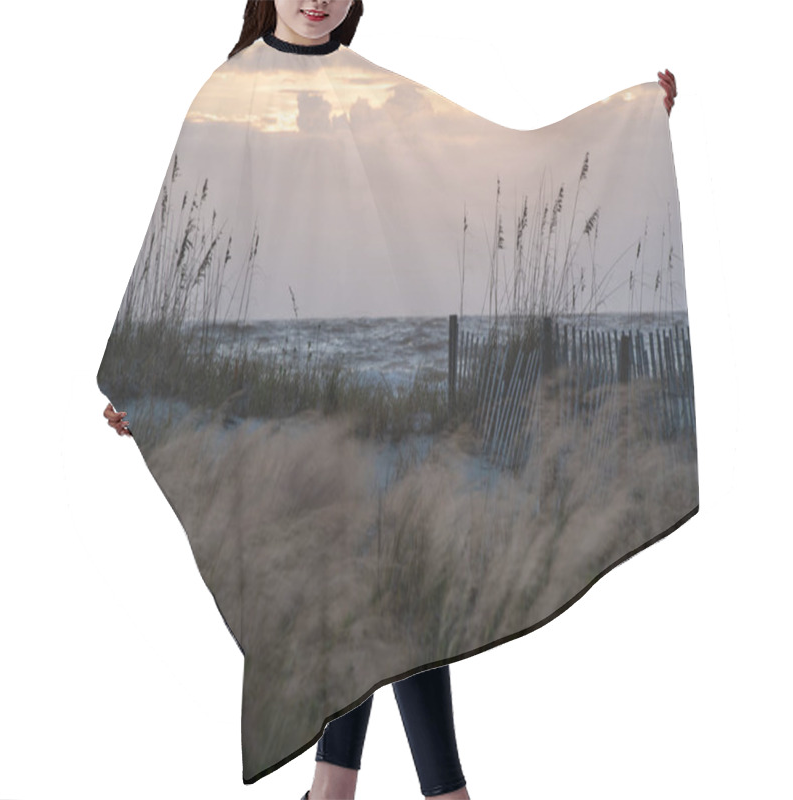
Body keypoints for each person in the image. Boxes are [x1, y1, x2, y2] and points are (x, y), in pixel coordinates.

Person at [103, 2, 678, 798]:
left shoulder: (370, 90)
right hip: (282, 397)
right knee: (378, 588)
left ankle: (342, 789)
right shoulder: (229, 92)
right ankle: (421, 791)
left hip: (378, 385)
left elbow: (481, 169)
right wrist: (149, 385)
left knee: (396, 582)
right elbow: (182, 257)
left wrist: (629, 125)